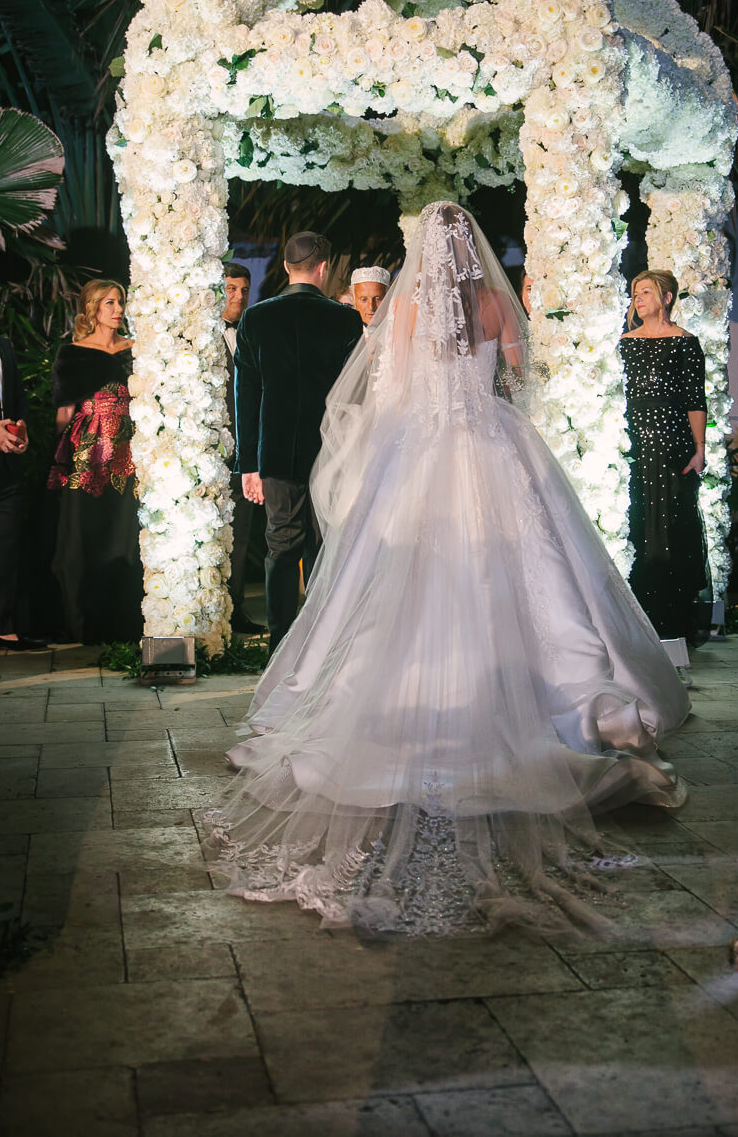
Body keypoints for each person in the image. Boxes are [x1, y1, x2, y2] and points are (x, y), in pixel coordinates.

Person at [204, 203, 690, 936]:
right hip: (492, 446)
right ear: (475, 253)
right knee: (530, 571)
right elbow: (519, 381)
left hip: (424, 452)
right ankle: (537, 691)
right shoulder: (495, 303)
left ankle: (405, 694)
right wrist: (487, 389)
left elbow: (391, 394)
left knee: (404, 580)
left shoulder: (405, 316)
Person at [233, 232, 363, 652]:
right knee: (326, 545)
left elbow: (245, 397)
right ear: (323, 268)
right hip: (332, 452)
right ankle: (323, 642)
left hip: (275, 454)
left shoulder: (255, 319)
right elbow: (355, 395)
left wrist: (248, 465)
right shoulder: (344, 319)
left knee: (281, 546)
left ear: (286, 267)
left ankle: (280, 644)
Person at [47, 280, 143, 644]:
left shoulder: (137, 350)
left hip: (129, 453)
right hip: (86, 456)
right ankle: (83, 620)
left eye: (120, 302)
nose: (117, 309)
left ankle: (124, 619)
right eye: (109, 303)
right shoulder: (73, 354)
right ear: (92, 308)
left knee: (124, 530)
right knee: (84, 532)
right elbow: (63, 413)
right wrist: (58, 462)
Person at [620, 270, 711, 646]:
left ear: (667, 297)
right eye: (634, 293)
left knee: (672, 529)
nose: (638, 299)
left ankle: (673, 623)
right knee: (640, 525)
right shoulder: (624, 343)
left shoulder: (685, 343)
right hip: (633, 446)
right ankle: (639, 620)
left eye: (645, 292)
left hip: (672, 445)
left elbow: (695, 400)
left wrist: (700, 447)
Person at [0, 272, 46, 651]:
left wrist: (20, 426)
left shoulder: (2, 345)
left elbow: (17, 400)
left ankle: (1, 625)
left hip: (6, 467)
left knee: (4, 548)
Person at [221, 263, 264, 634]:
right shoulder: (200, 337)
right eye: (231, 289)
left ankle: (235, 609)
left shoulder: (249, 333)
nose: (238, 297)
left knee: (241, 533)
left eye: (244, 290)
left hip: (246, 452)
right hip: (212, 452)